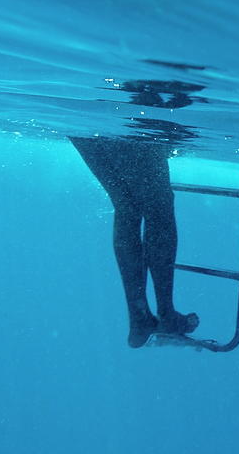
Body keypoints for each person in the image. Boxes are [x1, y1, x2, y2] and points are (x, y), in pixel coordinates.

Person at [70, 136, 199, 348]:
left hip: (84, 125)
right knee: (158, 211)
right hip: (123, 125)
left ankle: (140, 318)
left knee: (127, 206)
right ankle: (164, 313)